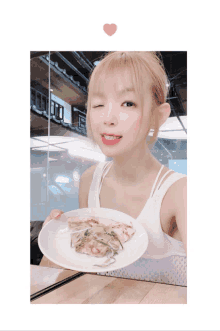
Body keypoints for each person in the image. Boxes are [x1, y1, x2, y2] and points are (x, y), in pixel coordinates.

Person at [43, 52, 187, 285]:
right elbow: (91, 272)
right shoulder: (90, 180)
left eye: (128, 103)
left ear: (158, 116)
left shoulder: (181, 192)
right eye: (98, 104)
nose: (108, 118)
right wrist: (58, 246)